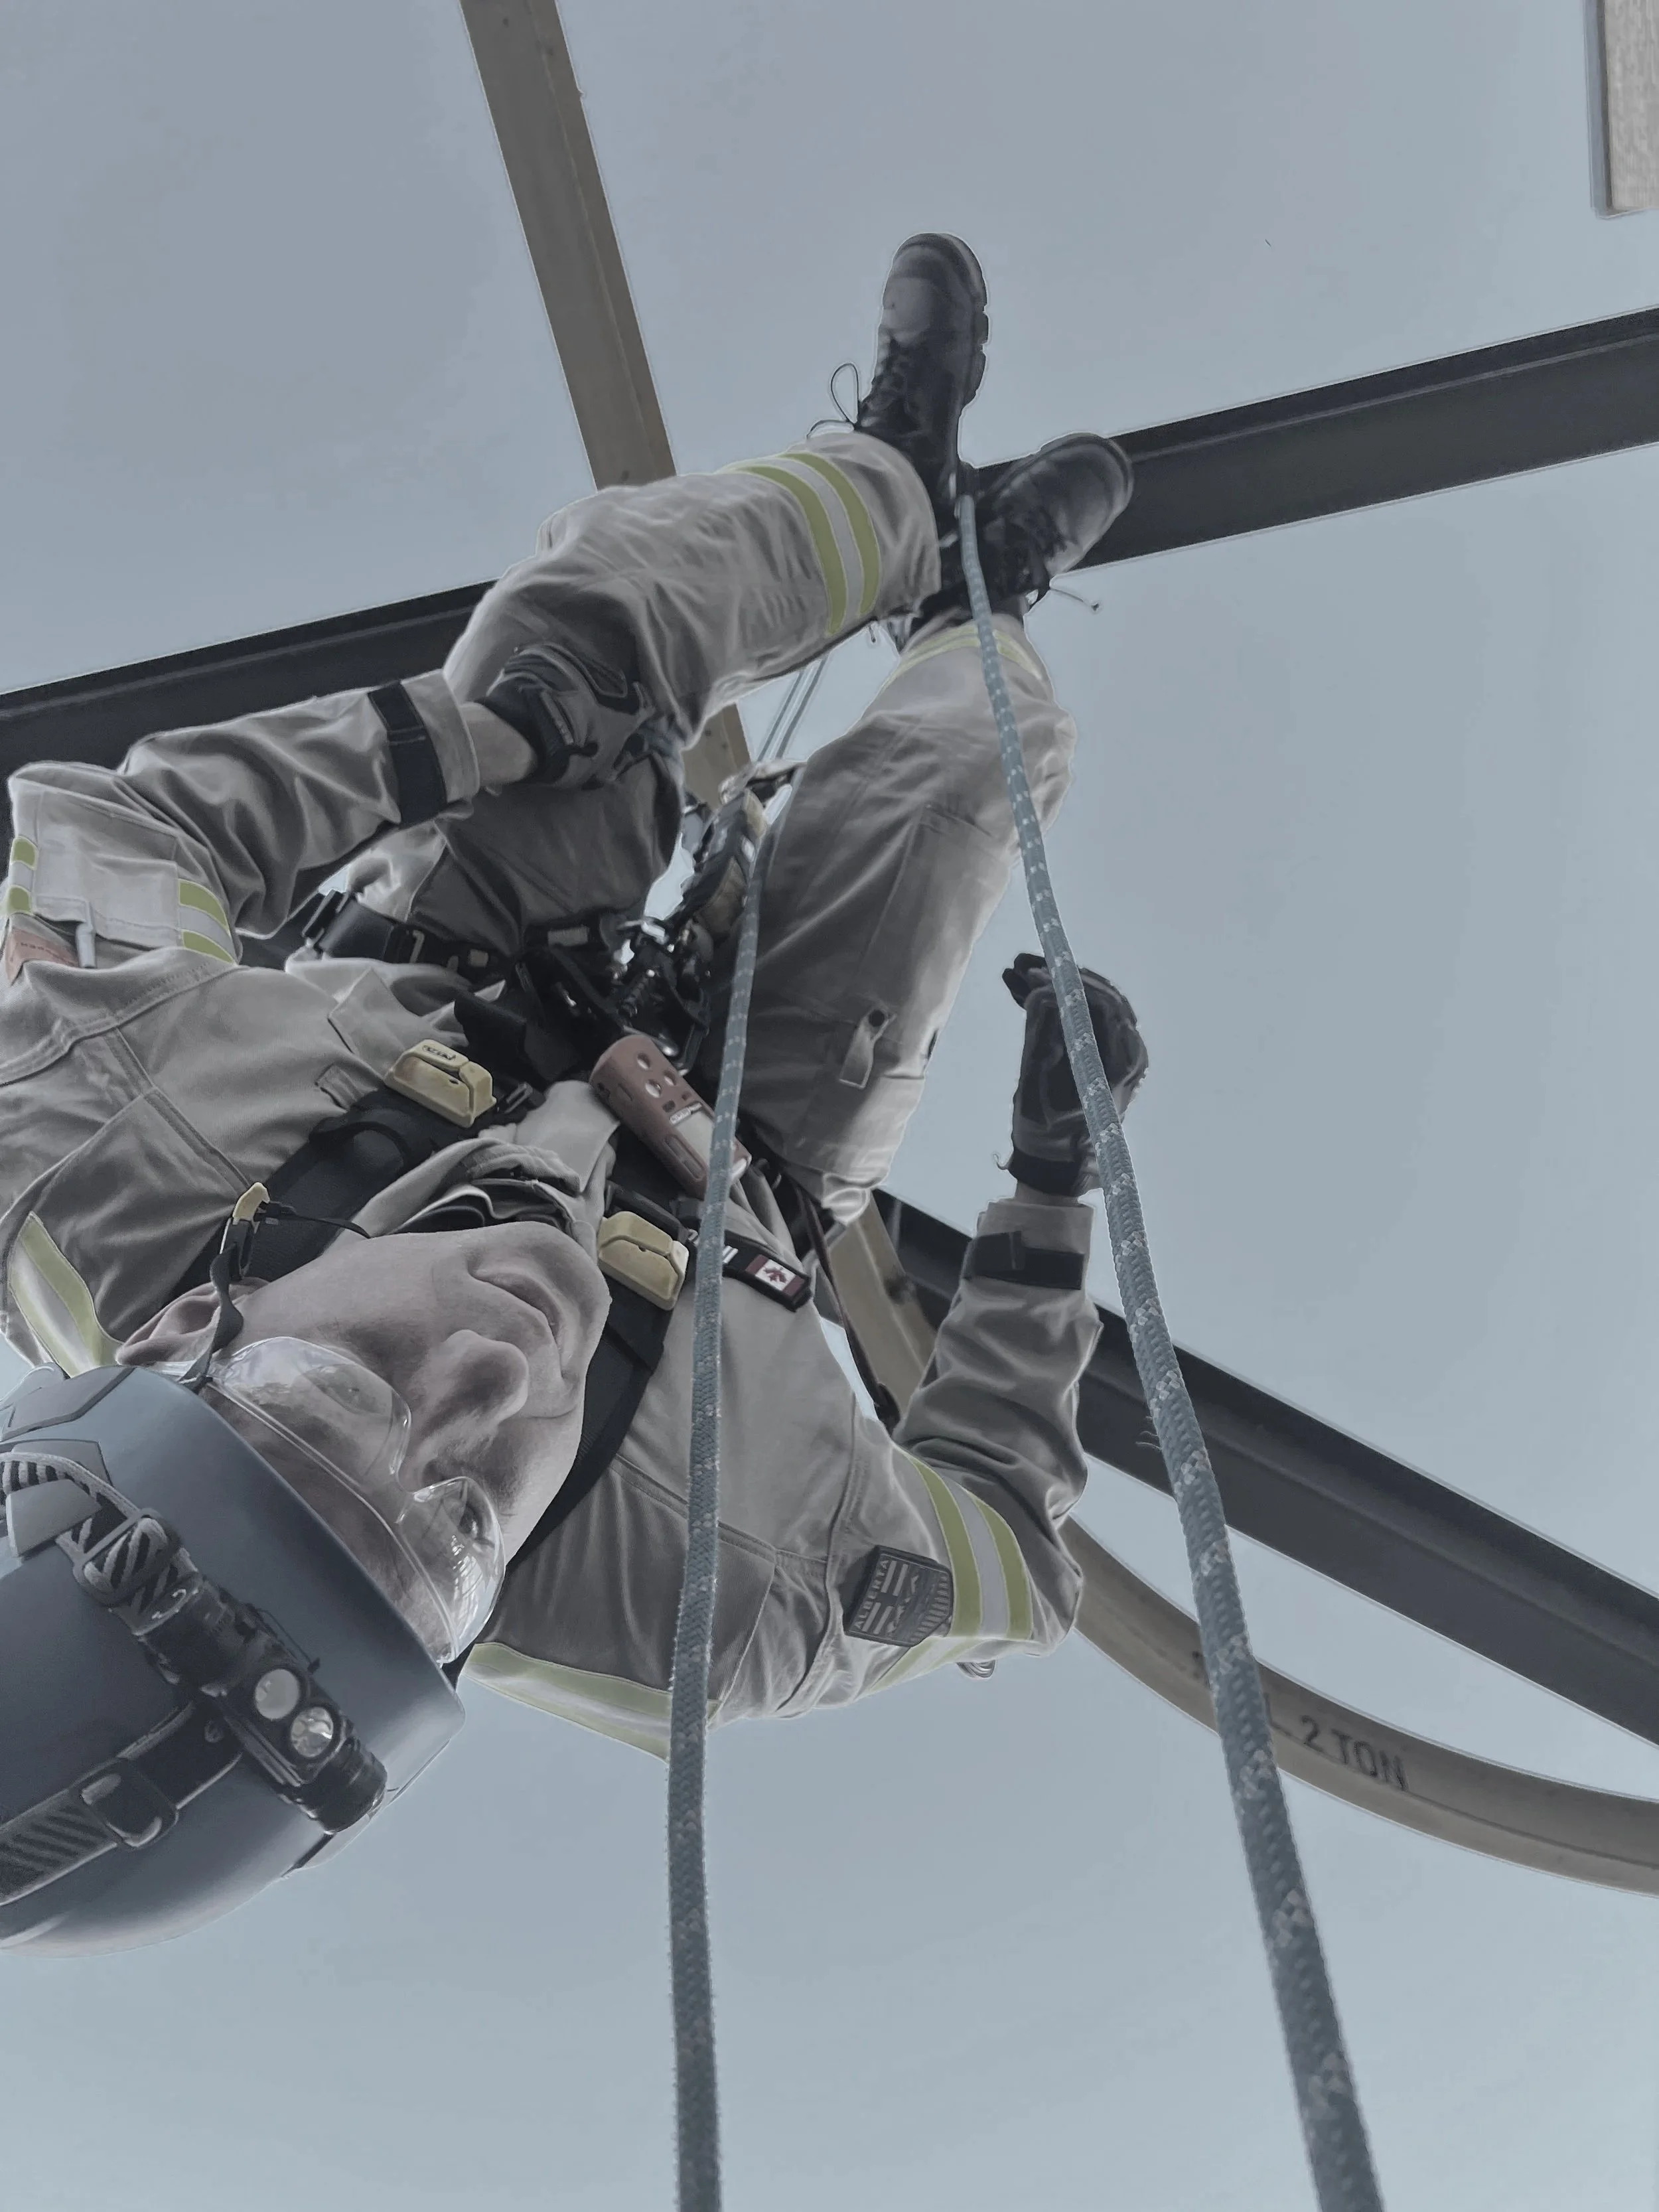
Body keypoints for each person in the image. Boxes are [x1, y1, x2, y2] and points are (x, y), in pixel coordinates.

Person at [0, 237, 1144, 1950]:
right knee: (963, 775)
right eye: (463, 1522)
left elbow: (93, 841)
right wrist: (1054, 1191)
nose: (495, 1364)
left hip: (456, 952)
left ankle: (892, 477)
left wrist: (450, 745)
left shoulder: (78, 1164)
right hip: (742, 1150)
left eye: (334, 1402)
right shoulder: (736, 1589)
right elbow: (1002, 1549)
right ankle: (983, 602)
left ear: (179, 1341)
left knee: (599, 607)